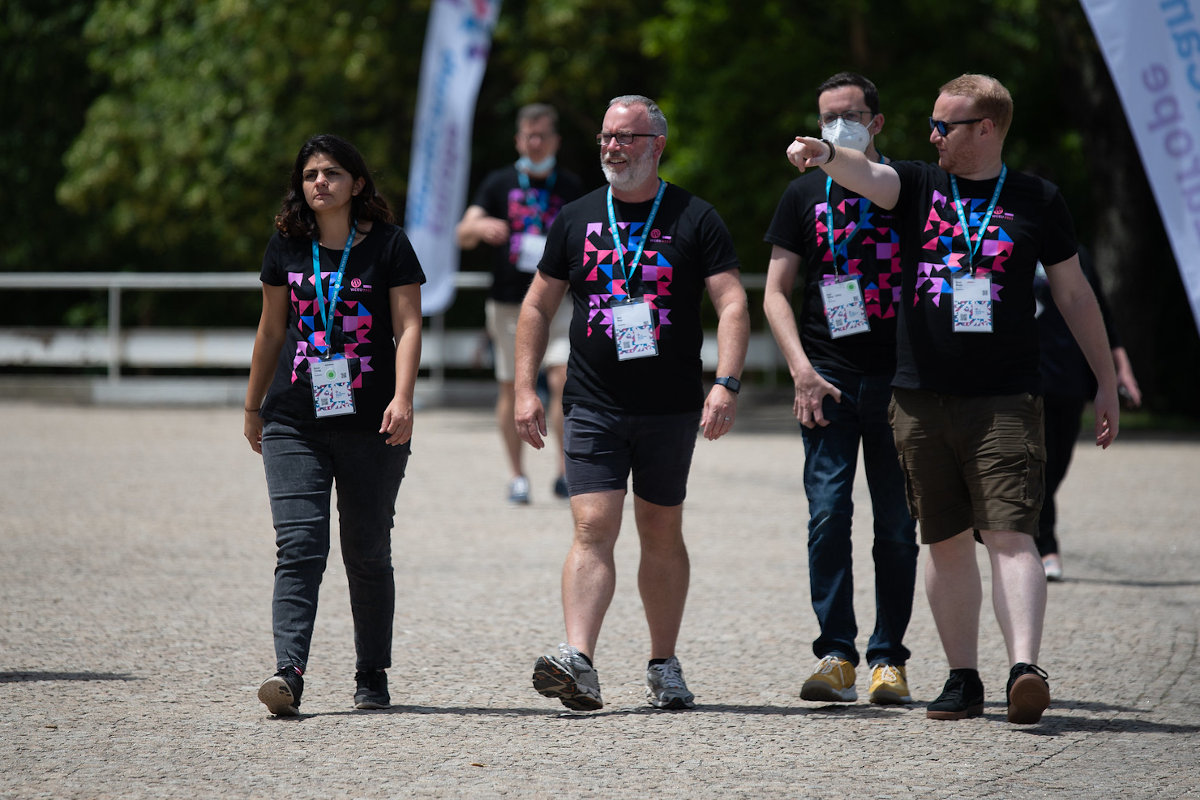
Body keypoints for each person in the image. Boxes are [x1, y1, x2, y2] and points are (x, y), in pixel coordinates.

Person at [787, 73, 1120, 725]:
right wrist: (826, 154)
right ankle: (963, 678)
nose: (932, 134)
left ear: (986, 129)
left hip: (1004, 395)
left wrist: (1105, 379)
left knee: (1009, 530)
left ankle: (1024, 668)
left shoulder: (1037, 199)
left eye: (946, 125)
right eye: (933, 123)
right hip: (918, 396)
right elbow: (870, 177)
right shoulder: (916, 185)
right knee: (941, 538)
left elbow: (1076, 294)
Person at [516, 95, 749, 711]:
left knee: (660, 528)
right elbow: (537, 305)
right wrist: (523, 387)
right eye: (606, 137)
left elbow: (731, 304)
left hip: (671, 405)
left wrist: (725, 382)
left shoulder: (695, 216)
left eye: (625, 138)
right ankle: (579, 661)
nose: (612, 147)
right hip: (591, 401)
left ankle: (663, 664)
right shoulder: (577, 217)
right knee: (592, 525)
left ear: (657, 146)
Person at [244, 134, 425, 716]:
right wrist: (253, 408)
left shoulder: (390, 246)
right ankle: (288, 673)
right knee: (299, 545)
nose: (318, 183)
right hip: (294, 417)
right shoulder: (286, 246)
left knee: (367, 550)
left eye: (331, 173)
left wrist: (402, 398)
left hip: (372, 422)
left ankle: (371, 672)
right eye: (309, 175)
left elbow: (409, 325)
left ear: (358, 183)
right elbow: (272, 330)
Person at [763, 72, 919, 706]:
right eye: (826, 118)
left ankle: (888, 658)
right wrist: (800, 369)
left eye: (849, 115)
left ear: (876, 122)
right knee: (827, 516)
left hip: (899, 380)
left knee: (896, 524)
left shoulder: (905, 186)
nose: (835, 127)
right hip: (825, 376)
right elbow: (774, 291)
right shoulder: (802, 196)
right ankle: (836, 652)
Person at [457, 104, 584, 504]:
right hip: (511, 303)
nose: (535, 142)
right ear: (517, 139)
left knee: (564, 381)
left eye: (542, 135)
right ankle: (517, 475)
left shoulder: (571, 186)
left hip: (561, 301)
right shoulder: (498, 183)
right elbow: (463, 233)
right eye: (528, 135)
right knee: (513, 387)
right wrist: (478, 226)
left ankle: (565, 472)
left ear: (556, 140)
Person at [1035, 246, 1141, 581]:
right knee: (1030, 467)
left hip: (1067, 377)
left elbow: (1102, 319)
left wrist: (1121, 371)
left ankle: (1028, 534)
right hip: (1019, 378)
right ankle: (1043, 545)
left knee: (1055, 467)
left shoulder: (1074, 255)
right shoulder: (1001, 243)